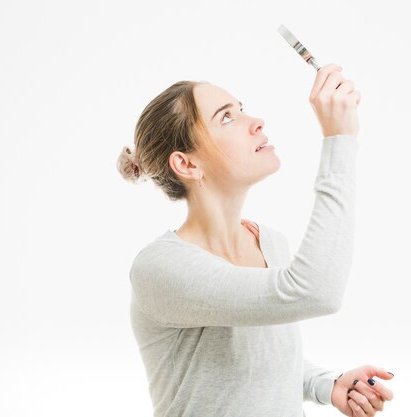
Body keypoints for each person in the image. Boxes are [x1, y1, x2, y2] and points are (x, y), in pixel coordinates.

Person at [117, 63, 394, 417]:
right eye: (227, 117)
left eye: (242, 108)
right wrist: (339, 143)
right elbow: (317, 291)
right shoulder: (159, 268)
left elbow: (262, 362)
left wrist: (327, 384)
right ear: (186, 165)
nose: (256, 121)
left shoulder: (270, 243)